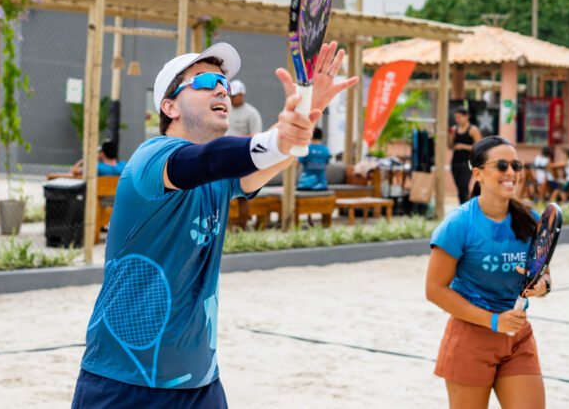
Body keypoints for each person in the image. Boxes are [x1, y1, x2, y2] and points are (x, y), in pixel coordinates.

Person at [71, 41, 356, 408]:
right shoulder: (150, 159)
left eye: (223, 80)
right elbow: (210, 159)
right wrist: (278, 138)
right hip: (124, 381)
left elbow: (263, 160)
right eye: (205, 81)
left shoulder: (221, 176)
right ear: (169, 106)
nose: (221, 87)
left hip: (201, 382)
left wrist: (306, 111)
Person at [426, 136, 551, 409]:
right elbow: (434, 290)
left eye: (516, 165)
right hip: (470, 336)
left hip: (517, 336)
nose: (511, 173)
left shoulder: (529, 218)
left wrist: (541, 286)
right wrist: (494, 321)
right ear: (478, 173)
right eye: (502, 165)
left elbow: (544, 273)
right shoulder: (459, 223)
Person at [448, 107, 482, 204]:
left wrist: (463, 146)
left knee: (464, 186)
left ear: (466, 117)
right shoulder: (454, 129)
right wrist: (450, 136)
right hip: (455, 162)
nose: (457, 120)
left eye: (459, 117)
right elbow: (450, 146)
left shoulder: (473, 130)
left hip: (467, 162)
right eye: (456, 118)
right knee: (459, 187)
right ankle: (462, 207)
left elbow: (478, 146)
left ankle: (466, 207)